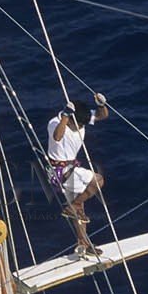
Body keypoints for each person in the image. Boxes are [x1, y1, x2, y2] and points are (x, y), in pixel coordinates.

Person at [44, 93, 109, 256]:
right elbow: (57, 137)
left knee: (80, 208)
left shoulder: (81, 119)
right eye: (79, 124)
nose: (81, 127)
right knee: (98, 180)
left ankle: (83, 243)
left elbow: (102, 116)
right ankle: (71, 207)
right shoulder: (55, 123)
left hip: (71, 168)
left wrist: (101, 105)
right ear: (70, 119)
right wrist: (65, 116)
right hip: (60, 172)